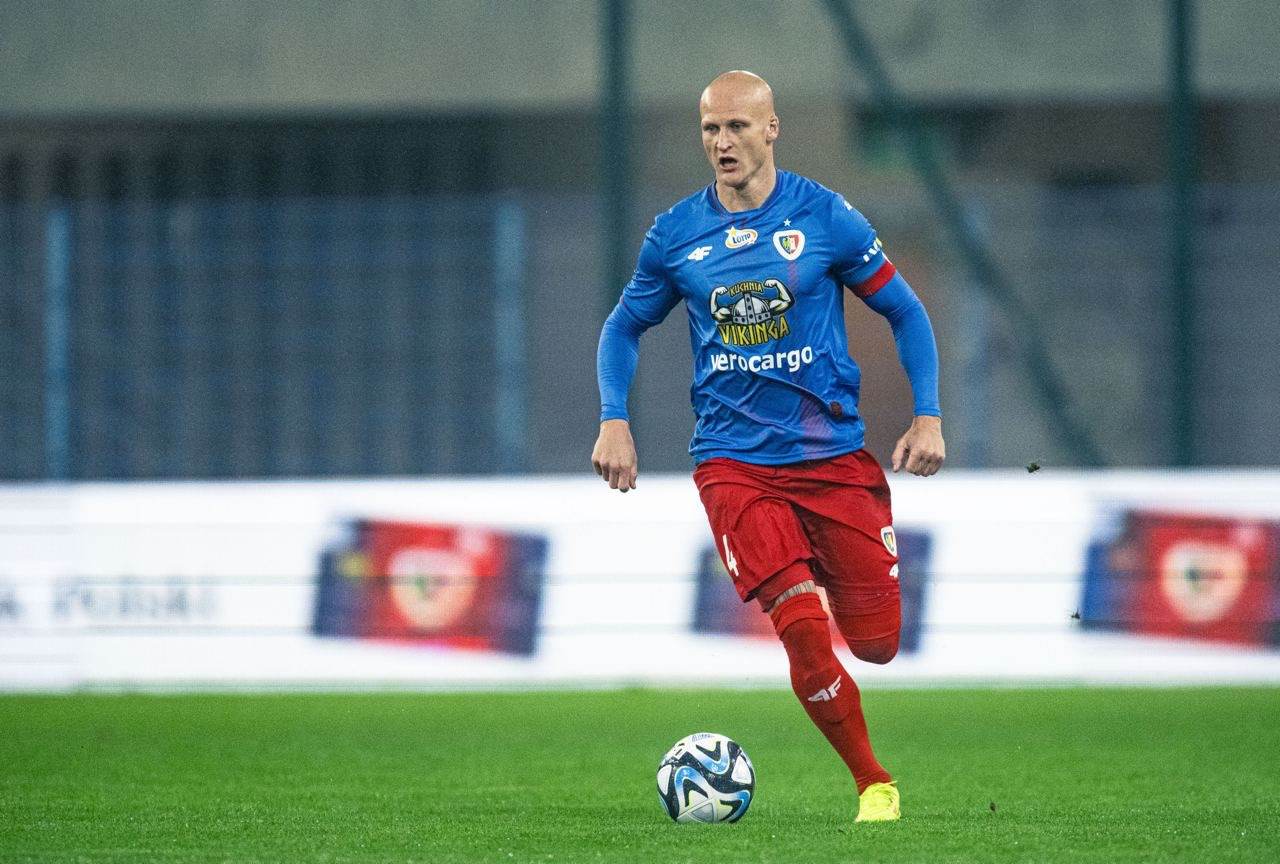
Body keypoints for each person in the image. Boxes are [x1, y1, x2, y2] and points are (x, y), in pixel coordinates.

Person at [591, 70, 944, 823]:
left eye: (737, 127)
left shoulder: (826, 218)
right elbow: (623, 327)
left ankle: (836, 577)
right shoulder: (676, 235)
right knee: (803, 631)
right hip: (735, 465)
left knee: (877, 644)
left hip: (832, 459)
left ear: (772, 128)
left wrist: (929, 416)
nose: (722, 142)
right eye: (710, 129)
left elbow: (906, 312)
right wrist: (613, 418)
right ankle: (874, 784)